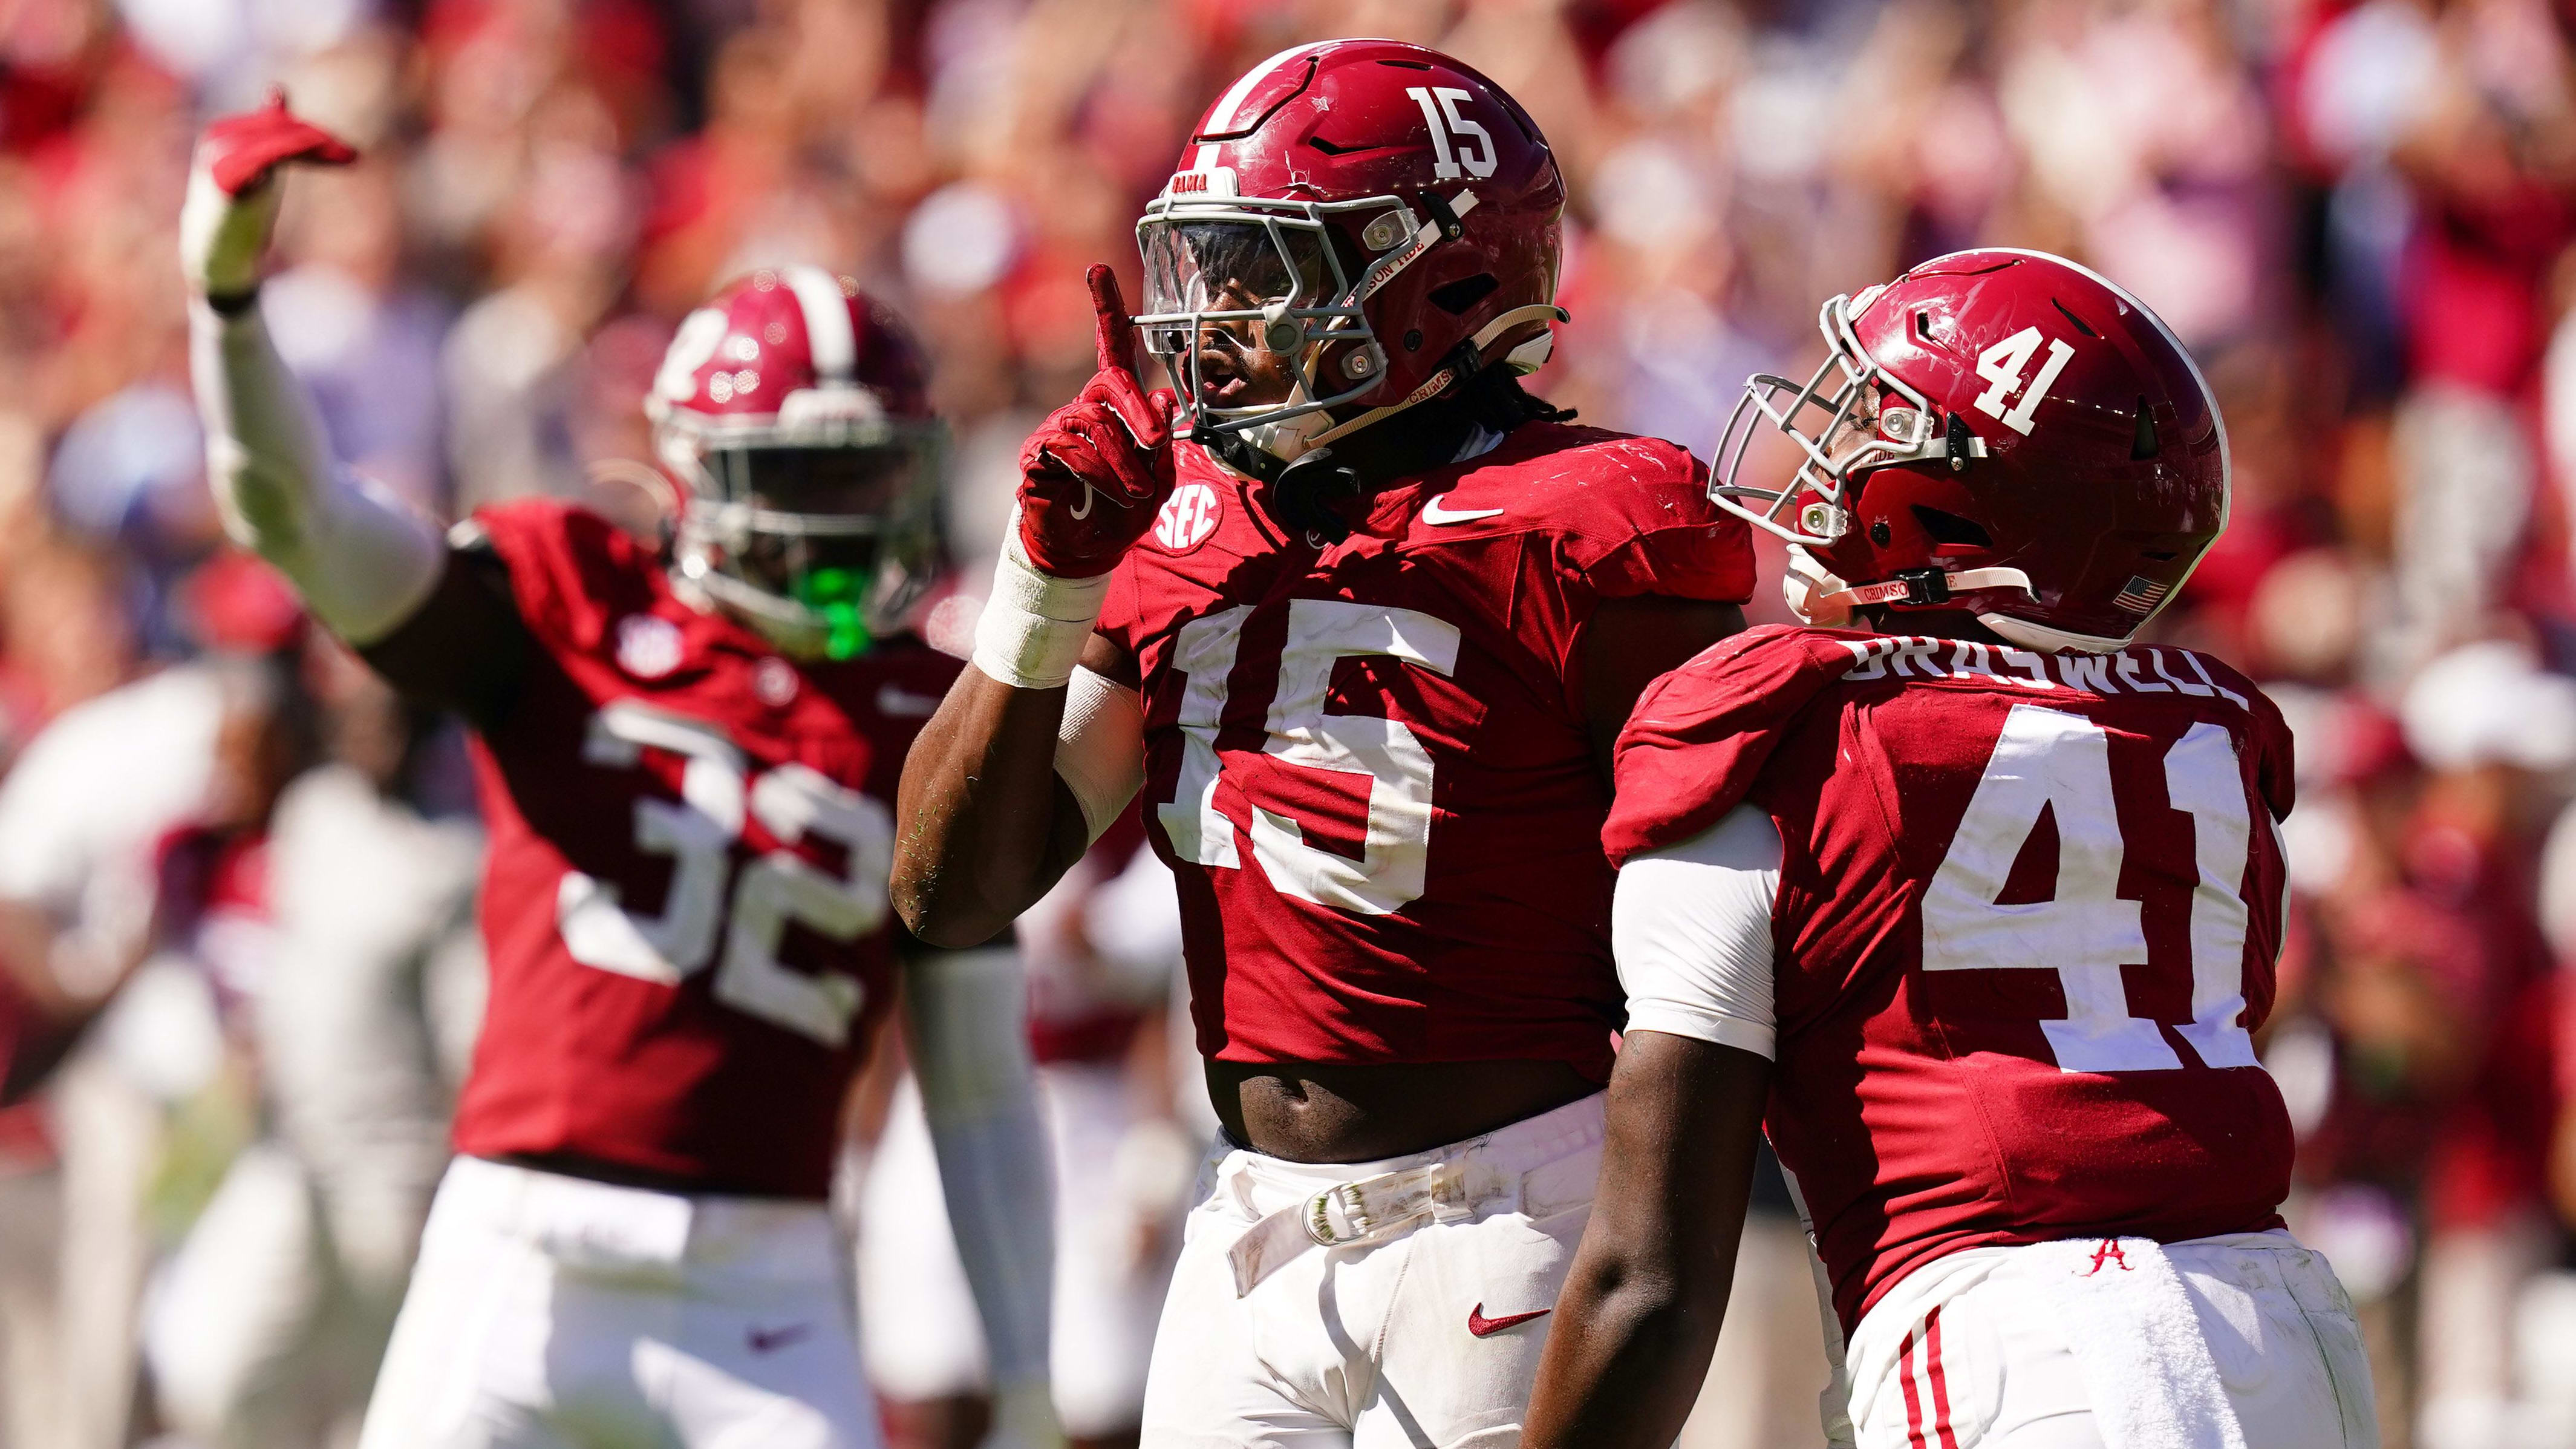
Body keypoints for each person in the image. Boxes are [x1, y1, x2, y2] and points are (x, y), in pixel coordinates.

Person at [892, 39, 1755, 1447]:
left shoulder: (1598, 525)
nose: (1217, 313)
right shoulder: (1180, 526)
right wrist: (1043, 583)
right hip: (1245, 1224)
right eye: (1212, 263)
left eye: (1268, 265)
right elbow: (950, 890)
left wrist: (1645, 1262)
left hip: (1508, 1217)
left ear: (1447, 282)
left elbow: (1717, 953)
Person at [181, 95, 1061, 1449]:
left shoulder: (919, 716)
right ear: (701, 472)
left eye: (866, 478)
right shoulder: (570, 597)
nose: (839, 522)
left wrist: (1022, 1383)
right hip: (515, 1259)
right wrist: (228, 303)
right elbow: (294, 517)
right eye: (801, 476)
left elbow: (980, 1077)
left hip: (768, 1285)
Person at [1519, 249, 2381, 1449]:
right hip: (2283, 1329)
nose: (1833, 462)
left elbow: (1647, 1280)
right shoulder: (2215, 725)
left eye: (1884, 425)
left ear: (1972, 498)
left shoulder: (1785, 724)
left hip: (2019, 1337)